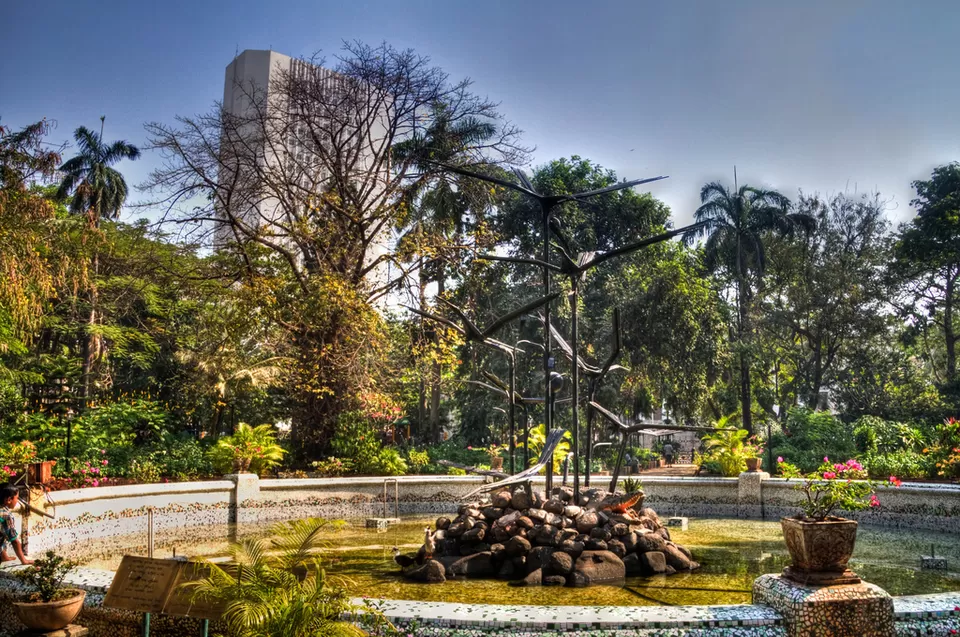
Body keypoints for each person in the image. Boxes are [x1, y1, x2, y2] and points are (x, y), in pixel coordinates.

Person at [0, 486, 32, 565]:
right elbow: (14, 540)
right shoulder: (6, 515)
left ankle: (4, 556)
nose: (17, 501)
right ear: (9, 500)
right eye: (17, 498)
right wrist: (24, 560)